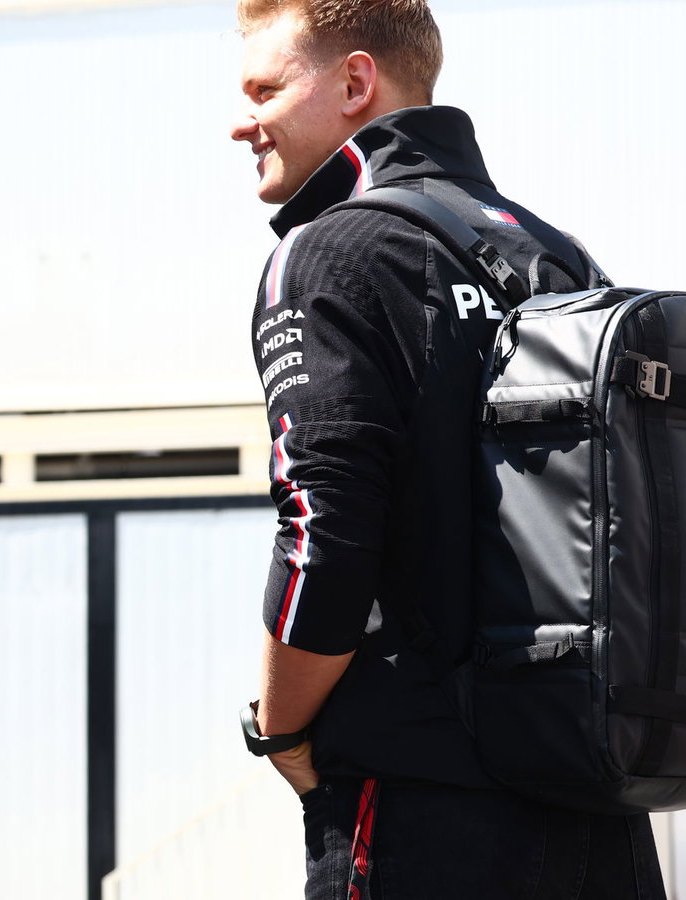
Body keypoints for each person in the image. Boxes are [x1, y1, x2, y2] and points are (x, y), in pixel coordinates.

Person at [230, 1, 666, 897]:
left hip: (422, 812)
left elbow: (324, 530)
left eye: (264, 91)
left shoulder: (328, 253)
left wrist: (280, 729)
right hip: (599, 806)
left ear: (356, 81)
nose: (243, 123)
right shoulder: (559, 257)